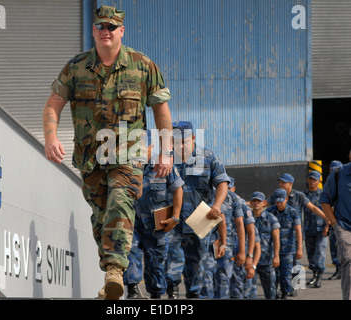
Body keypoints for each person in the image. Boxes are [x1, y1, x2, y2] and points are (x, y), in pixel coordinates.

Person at [42, 5, 174, 300]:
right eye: (100, 26)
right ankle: (109, 280)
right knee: (103, 218)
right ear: (93, 30)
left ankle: (115, 270)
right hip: (90, 159)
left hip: (129, 156)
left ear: (121, 31)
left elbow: (161, 109)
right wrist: (50, 137)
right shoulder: (76, 67)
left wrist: (166, 150)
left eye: (111, 27)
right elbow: (53, 104)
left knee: (119, 199)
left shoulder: (142, 65)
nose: (105, 31)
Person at [164, 121, 229, 299]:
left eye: (184, 141)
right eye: (176, 142)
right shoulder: (166, 159)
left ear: (193, 138)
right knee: (171, 257)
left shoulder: (208, 158)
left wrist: (216, 205)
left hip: (200, 220)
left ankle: (193, 295)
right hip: (173, 220)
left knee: (197, 261)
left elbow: (222, 183)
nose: (180, 145)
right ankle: (173, 292)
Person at [123, 130, 184, 299]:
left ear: (150, 146)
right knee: (130, 253)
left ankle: (156, 294)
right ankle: (132, 291)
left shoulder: (163, 165)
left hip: (157, 227)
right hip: (133, 224)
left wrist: (175, 217)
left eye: (143, 148)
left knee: (155, 266)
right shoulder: (127, 167)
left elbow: (178, 189)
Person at [320, 162, 351, 300]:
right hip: (345, 227)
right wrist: (335, 225)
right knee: (349, 262)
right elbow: (325, 201)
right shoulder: (339, 174)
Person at [267, 188, 302, 299]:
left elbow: (298, 230)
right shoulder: (269, 212)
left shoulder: (293, 212)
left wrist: (299, 248)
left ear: (286, 199)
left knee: (286, 273)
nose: (279, 204)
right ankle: (275, 291)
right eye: (277, 202)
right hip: (273, 248)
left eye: (281, 201)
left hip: (288, 248)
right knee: (274, 274)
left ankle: (285, 293)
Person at [214, 179, 245, 299]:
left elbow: (240, 224)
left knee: (223, 279)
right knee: (206, 278)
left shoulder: (233, 198)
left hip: (226, 245)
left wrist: (242, 251)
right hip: (207, 242)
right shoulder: (208, 194)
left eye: (228, 186)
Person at [249, 191, 280, 299]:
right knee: (250, 291)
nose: (256, 203)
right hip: (251, 261)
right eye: (254, 201)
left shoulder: (271, 219)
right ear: (251, 203)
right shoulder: (246, 218)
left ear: (264, 203)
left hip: (267, 260)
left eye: (259, 201)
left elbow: (276, 238)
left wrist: (276, 256)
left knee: (270, 291)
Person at [303, 171, 329, 288]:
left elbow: (329, 211)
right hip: (308, 228)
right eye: (311, 179)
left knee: (320, 253)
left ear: (319, 181)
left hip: (321, 229)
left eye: (315, 179)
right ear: (308, 180)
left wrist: (328, 226)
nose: (312, 181)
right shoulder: (304, 194)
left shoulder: (324, 194)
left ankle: (319, 276)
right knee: (310, 254)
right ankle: (314, 274)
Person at [327, 160, 343, 280]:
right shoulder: (329, 186)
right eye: (331, 170)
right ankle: (338, 269)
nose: (333, 172)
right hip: (334, 221)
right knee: (334, 245)